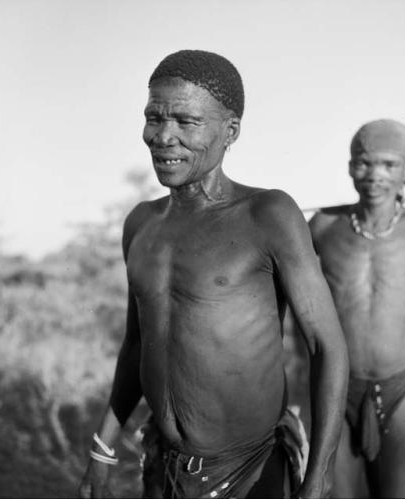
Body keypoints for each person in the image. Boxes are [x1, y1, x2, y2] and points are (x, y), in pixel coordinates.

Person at [78, 49, 348, 499]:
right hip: (162, 468)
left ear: (231, 131)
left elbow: (327, 346)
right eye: (154, 117)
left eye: (187, 122)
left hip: (252, 470)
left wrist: (318, 477)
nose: (164, 136)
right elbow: (136, 345)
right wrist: (102, 450)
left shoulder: (268, 215)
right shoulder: (141, 225)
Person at [308, 119, 405, 498]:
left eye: (389, 165)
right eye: (364, 163)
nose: (375, 175)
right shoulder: (324, 225)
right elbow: (277, 290)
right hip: (335, 388)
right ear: (350, 167)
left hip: (394, 391)